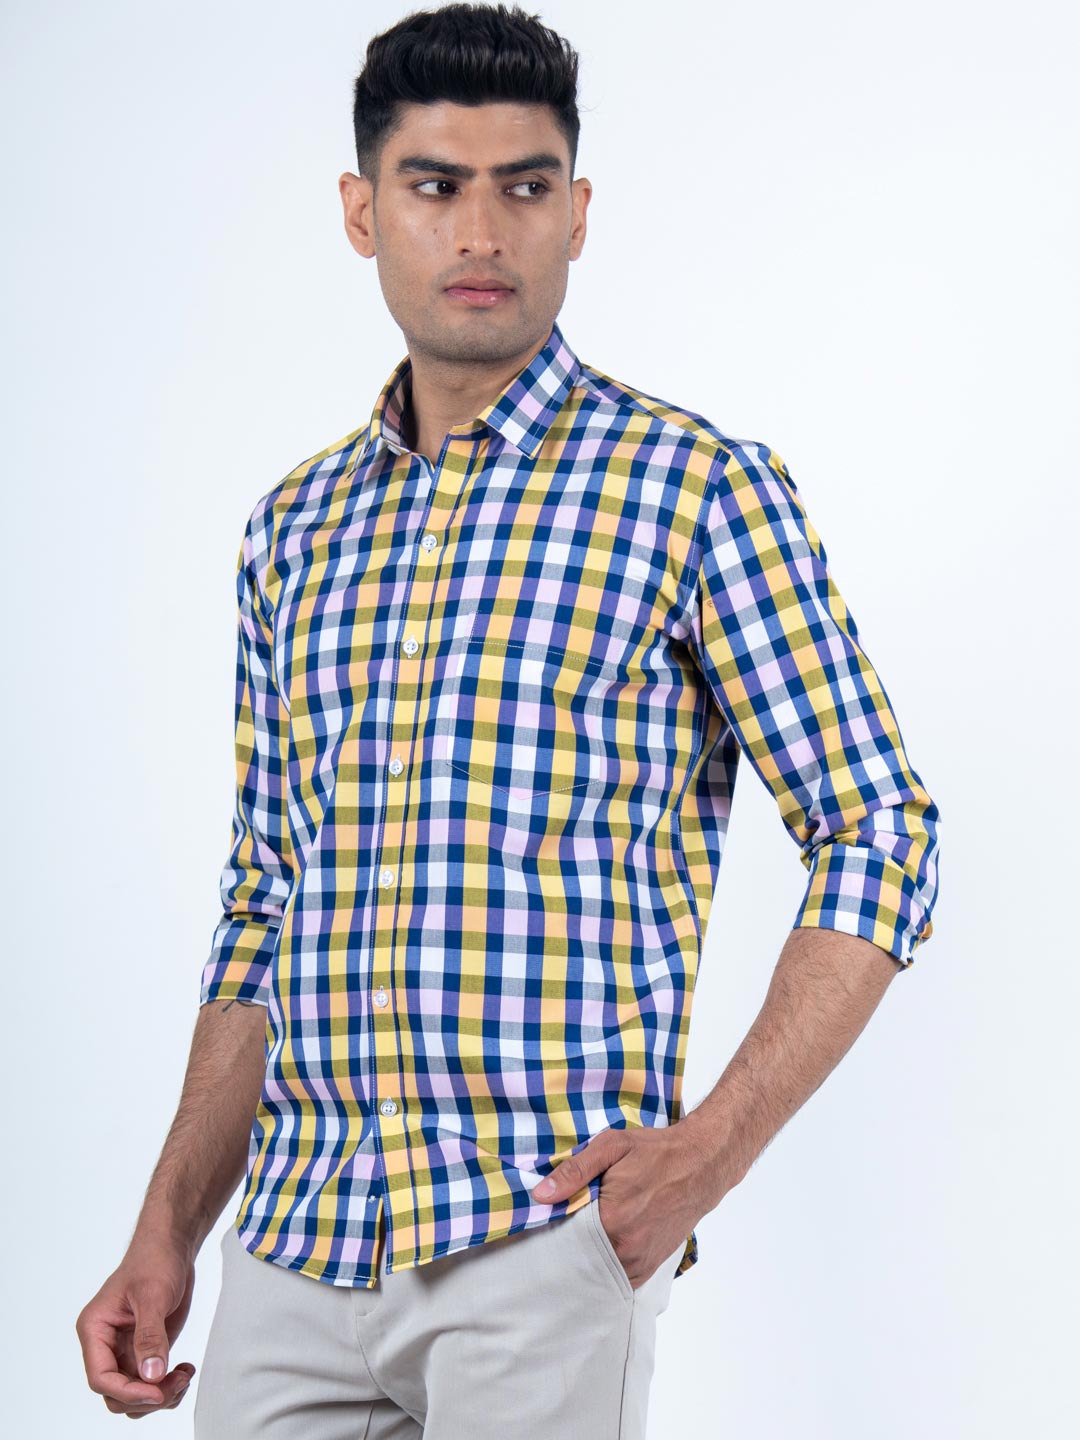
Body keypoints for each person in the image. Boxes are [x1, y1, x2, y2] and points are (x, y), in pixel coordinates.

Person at [75, 4, 942, 1435]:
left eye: (524, 187)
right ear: (362, 211)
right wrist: (167, 1228)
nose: (481, 232)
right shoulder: (294, 529)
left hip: (538, 1236)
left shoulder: (692, 491)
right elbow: (265, 904)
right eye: (435, 185)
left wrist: (709, 1155)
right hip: (294, 1246)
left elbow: (880, 830)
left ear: (577, 214)